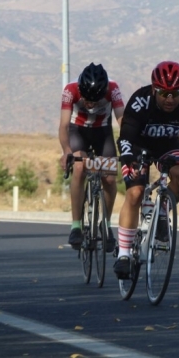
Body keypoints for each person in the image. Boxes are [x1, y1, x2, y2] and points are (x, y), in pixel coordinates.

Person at [113, 61, 179, 279]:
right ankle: (124, 254)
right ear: (154, 89)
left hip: (168, 144)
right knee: (136, 192)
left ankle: (162, 212)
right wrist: (129, 161)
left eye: (176, 93)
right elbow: (126, 137)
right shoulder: (140, 101)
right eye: (164, 93)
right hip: (138, 146)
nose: (170, 99)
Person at [59, 62, 124, 251]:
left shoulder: (113, 89)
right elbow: (63, 125)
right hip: (77, 131)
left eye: (95, 100)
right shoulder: (70, 90)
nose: (90, 104)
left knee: (110, 179)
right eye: (87, 99)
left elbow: (123, 120)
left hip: (102, 132)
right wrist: (66, 152)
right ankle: (76, 225)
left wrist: (130, 146)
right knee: (79, 167)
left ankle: (106, 223)